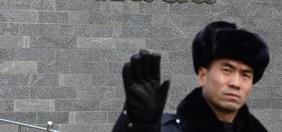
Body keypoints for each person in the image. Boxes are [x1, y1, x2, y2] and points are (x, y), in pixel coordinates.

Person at [112, 21, 270, 132]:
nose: (236, 83)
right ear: (202, 75)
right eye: (227, 70)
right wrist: (139, 125)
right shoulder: (165, 129)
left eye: (245, 75)